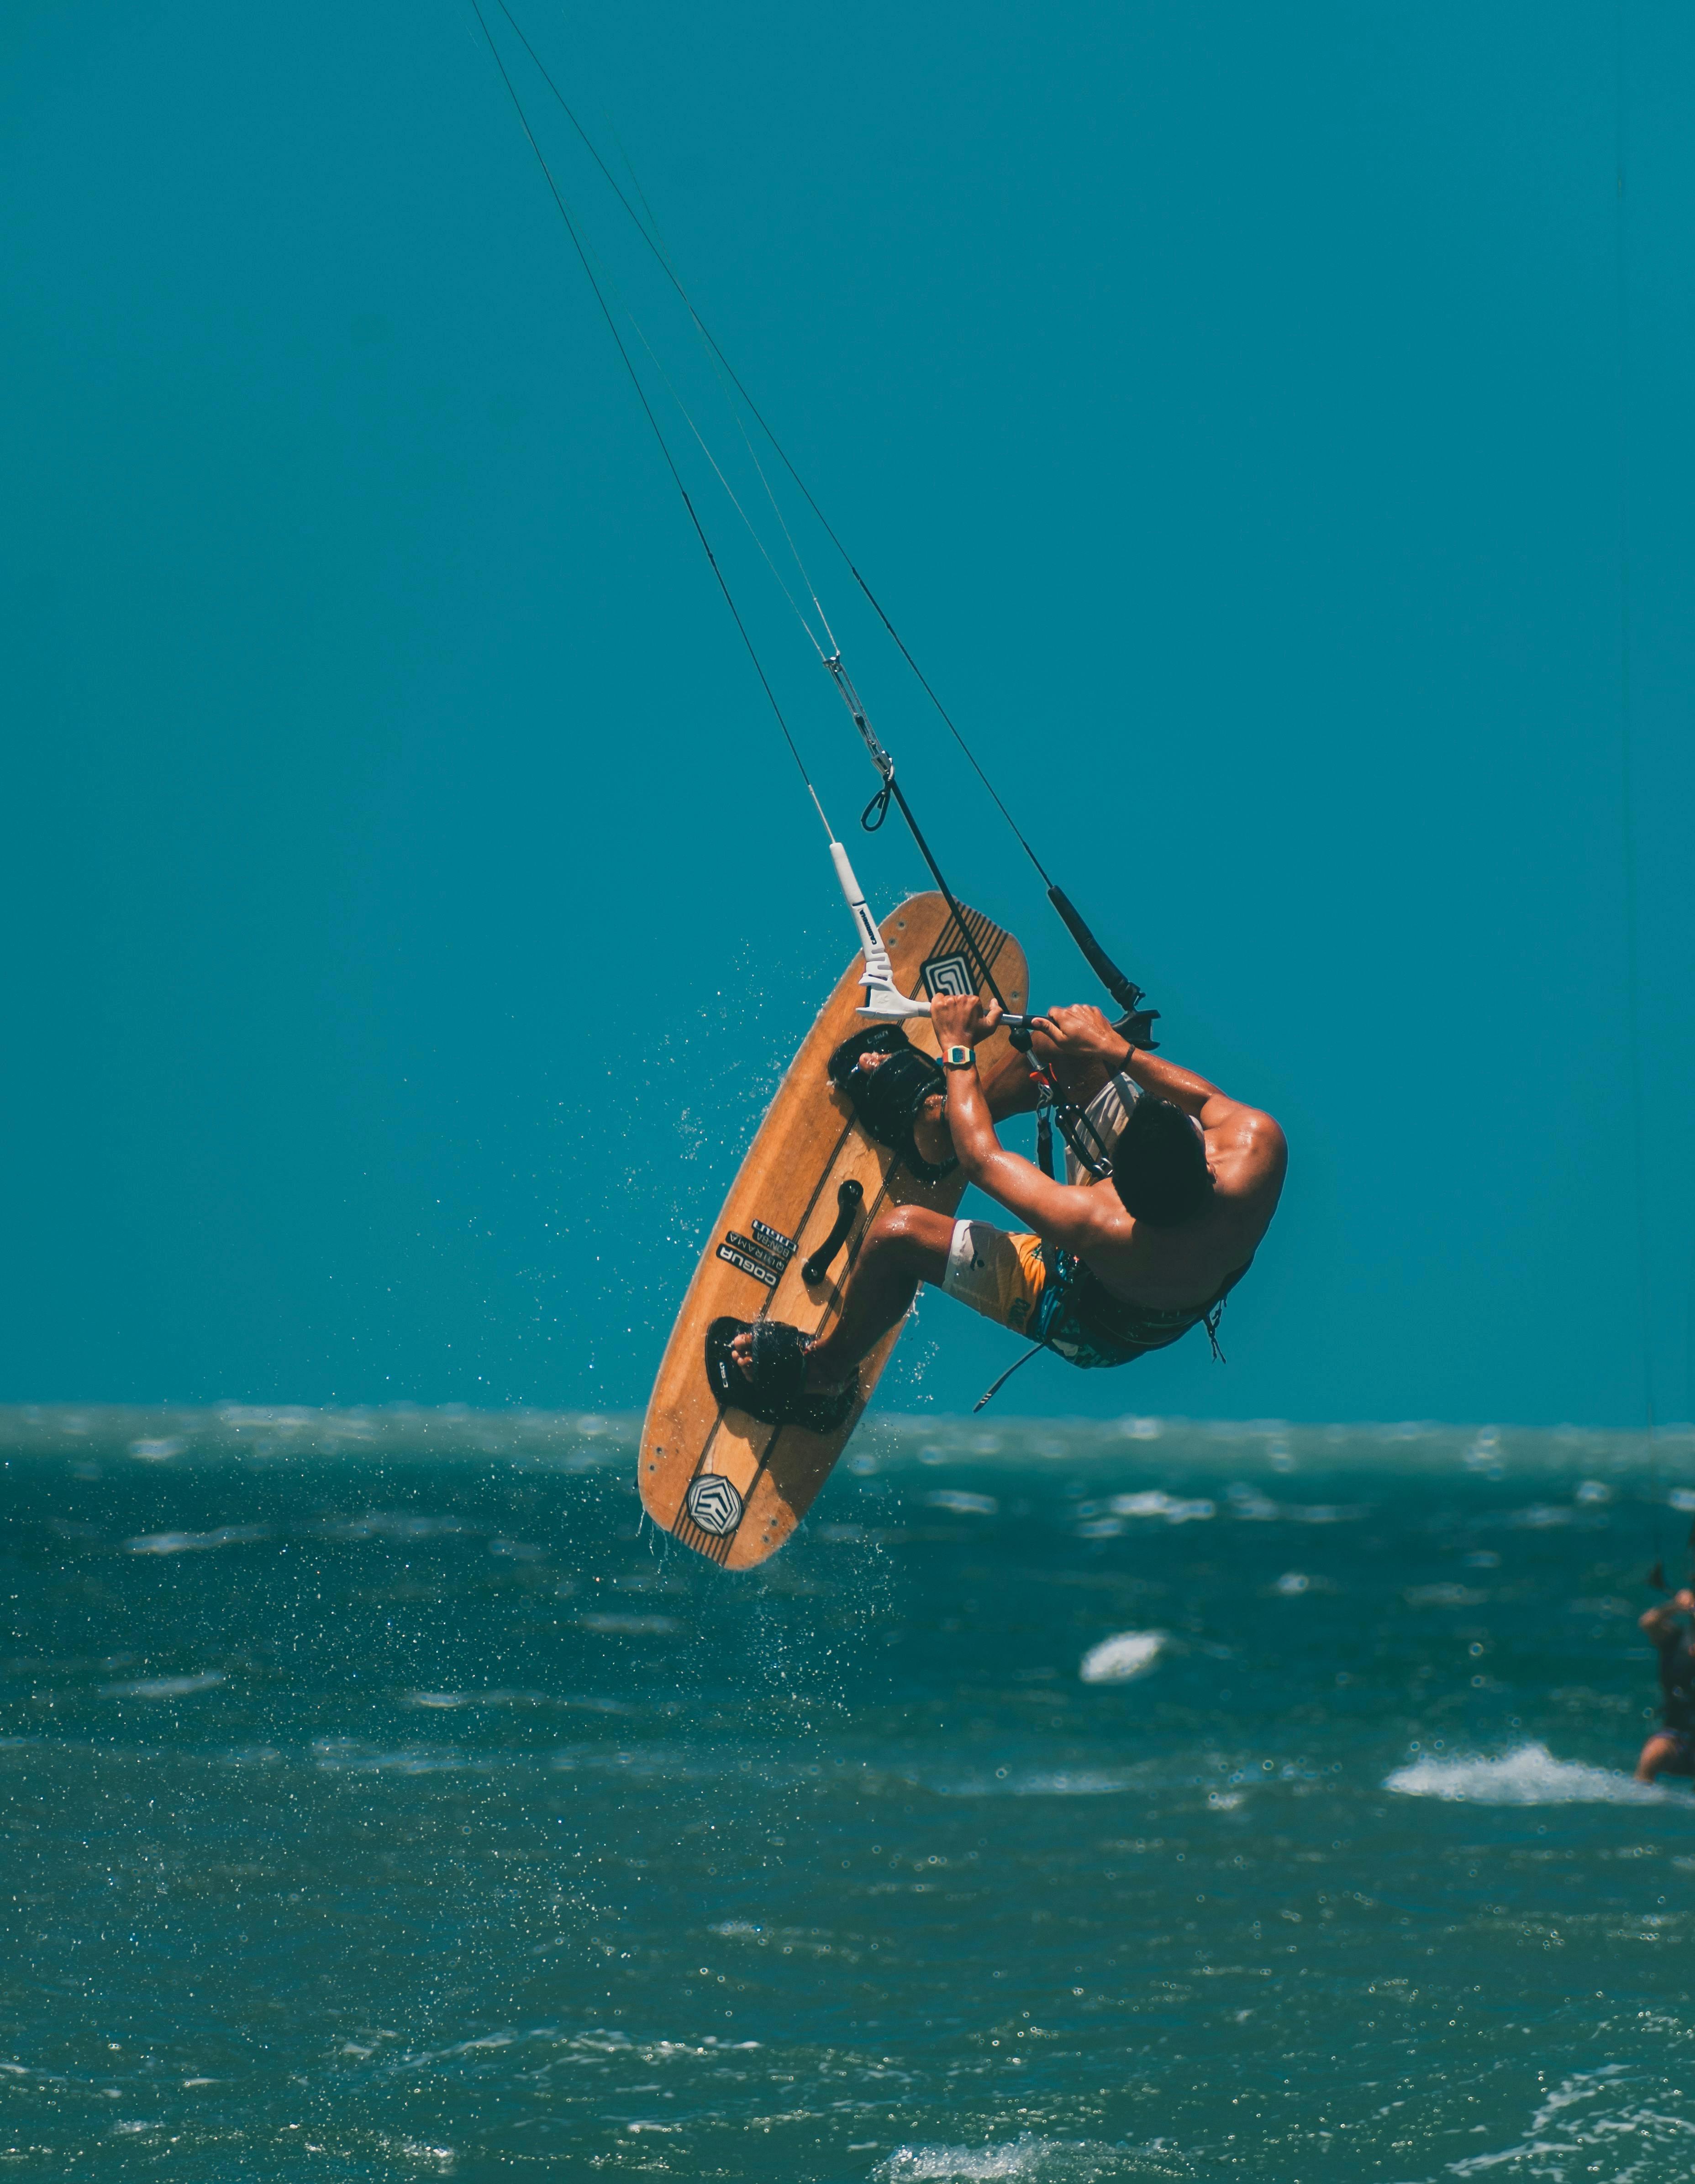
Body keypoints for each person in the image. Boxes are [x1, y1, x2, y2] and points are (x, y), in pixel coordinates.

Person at [711, 992, 1286, 1425]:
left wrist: (955, 1047)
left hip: (1094, 1315)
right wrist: (1113, 1048)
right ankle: (932, 1131)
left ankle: (824, 1373)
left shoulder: (1099, 1224)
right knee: (1057, 1044)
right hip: (1170, 1232)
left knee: (896, 1237)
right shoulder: (1254, 1146)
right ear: (1202, 1155)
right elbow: (1209, 1100)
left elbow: (984, 1159)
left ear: (1117, 1189)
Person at [1635, 1588, 1695, 1784]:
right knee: (1654, 1751)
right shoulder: (1676, 1640)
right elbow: (1649, 1623)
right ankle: (1640, 1798)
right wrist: (1676, 1607)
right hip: (1678, 1732)